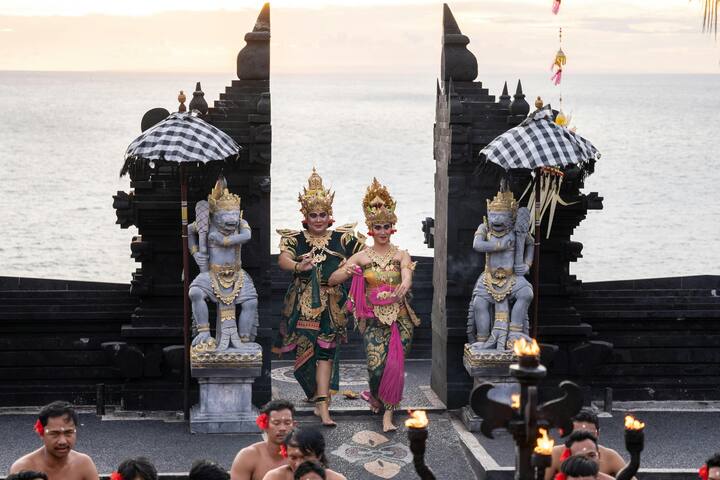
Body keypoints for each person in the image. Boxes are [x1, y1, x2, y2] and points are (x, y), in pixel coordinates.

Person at [273, 168, 364, 427]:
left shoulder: (343, 238)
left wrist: (349, 268)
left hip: (333, 304)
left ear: (329, 214)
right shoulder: (295, 239)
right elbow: (283, 260)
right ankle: (315, 394)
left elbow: (367, 255)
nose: (318, 220)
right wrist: (298, 266)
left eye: (323, 214)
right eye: (313, 215)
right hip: (304, 304)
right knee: (305, 356)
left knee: (326, 352)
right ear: (305, 216)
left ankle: (323, 406)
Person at [328, 178, 419, 432]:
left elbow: (407, 273)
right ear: (370, 228)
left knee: (394, 365)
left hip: (400, 319)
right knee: (376, 367)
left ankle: (388, 414)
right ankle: (377, 395)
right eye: (377, 227)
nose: (382, 231)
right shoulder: (361, 257)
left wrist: (405, 282)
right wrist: (348, 271)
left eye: (386, 226)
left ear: (392, 227)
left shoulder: (401, 254)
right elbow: (333, 279)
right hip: (373, 320)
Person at [10, 401, 99, 480]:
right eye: (54, 434)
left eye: (68, 432)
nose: (62, 441)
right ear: (42, 434)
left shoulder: (84, 464)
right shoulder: (23, 469)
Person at [545, 409, 626, 480]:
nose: (584, 438)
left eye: (589, 434)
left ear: (598, 433)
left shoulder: (610, 456)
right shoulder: (555, 454)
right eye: (577, 434)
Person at [231, 400, 297, 480]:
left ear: (294, 425)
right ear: (265, 425)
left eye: (287, 423)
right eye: (276, 423)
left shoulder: (303, 456)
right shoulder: (248, 456)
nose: (282, 428)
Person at [262, 428, 345, 480]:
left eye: (305, 457)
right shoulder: (274, 477)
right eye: (293, 458)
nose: (298, 464)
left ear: (319, 455)